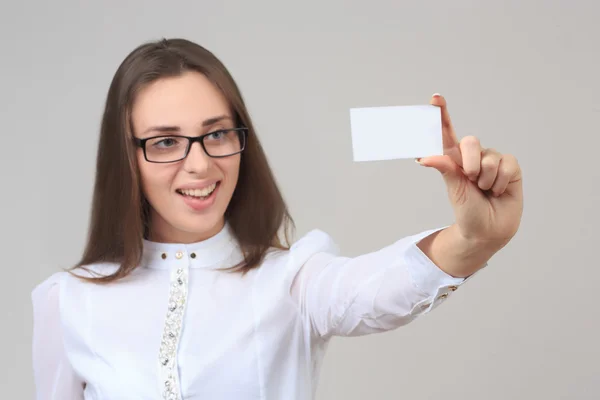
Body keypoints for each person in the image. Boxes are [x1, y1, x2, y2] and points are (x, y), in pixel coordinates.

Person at [31, 38, 523, 400]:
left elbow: (372, 289)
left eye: (217, 134)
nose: (200, 164)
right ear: (127, 158)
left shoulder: (293, 280)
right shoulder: (70, 301)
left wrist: (472, 240)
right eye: (165, 142)